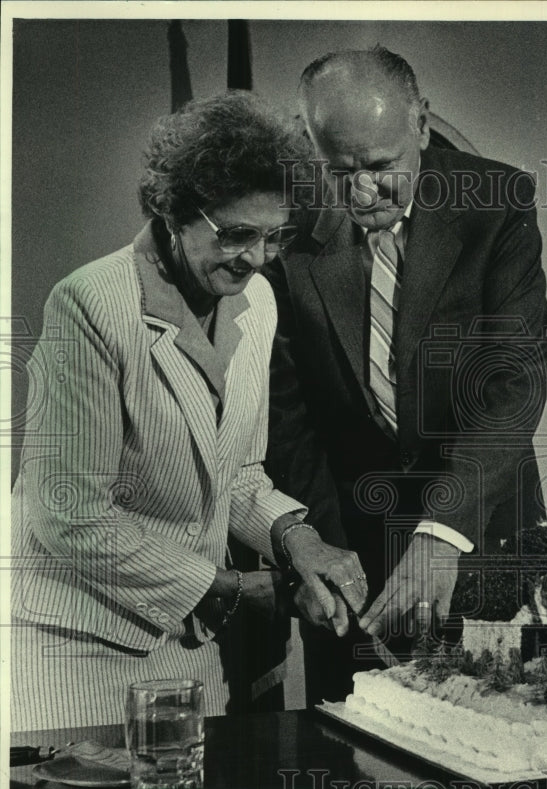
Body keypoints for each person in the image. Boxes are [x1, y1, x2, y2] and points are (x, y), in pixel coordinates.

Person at [10, 92, 367, 731]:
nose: (256, 259)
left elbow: (238, 473)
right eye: (235, 234)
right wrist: (230, 589)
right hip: (78, 645)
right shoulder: (89, 305)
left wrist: (299, 538)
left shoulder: (255, 306)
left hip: (189, 649)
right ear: (173, 212)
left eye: (272, 236)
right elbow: (70, 513)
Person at [265, 47, 547, 704]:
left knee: (494, 759)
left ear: (420, 125)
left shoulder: (496, 203)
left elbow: (514, 382)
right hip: (354, 555)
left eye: (380, 166)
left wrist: (443, 528)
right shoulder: (284, 232)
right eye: (341, 171)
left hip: (483, 536)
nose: (363, 191)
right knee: (353, 771)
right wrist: (324, 554)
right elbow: (290, 418)